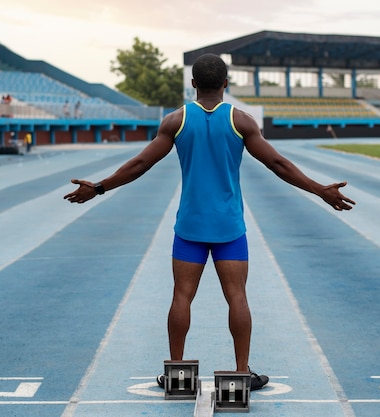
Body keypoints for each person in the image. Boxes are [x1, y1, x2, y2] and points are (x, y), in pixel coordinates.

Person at [63, 53, 356, 391]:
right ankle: (242, 372)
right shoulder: (242, 122)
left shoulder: (175, 121)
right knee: (238, 298)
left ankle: (176, 373)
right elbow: (278, 164)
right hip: (229, 228)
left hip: (190, 227)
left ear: (193, 85)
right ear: (226, 84)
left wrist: (99, 187)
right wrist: (320, 190)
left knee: (181, 297)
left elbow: (140, 163)